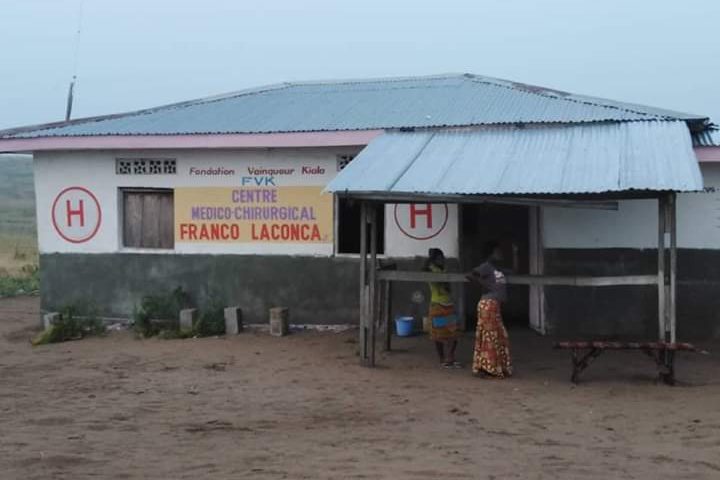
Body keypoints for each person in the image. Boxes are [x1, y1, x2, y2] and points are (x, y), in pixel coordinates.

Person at [467, 241, 512, 378]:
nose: (501, 253)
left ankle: (490, 366)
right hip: (488, 304)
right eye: (498, 251)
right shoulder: (486, 266)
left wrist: (516, 253)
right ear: (491, 253)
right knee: (490, 336)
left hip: (494, 305)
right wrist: (486, 285)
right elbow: (470, 275)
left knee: (498, 336)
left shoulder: (498, 269)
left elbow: (515, 269)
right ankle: (488, 368)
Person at [425, 248, 461, 368]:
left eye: (442, 258)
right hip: (438, 305)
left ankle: (450, 357)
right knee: (439, 335)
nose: (442, 260)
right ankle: (443, 358)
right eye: (439, 258)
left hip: (448, 304)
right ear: (434, 260)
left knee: (453, 333)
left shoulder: (443, 269)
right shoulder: (431, 270)